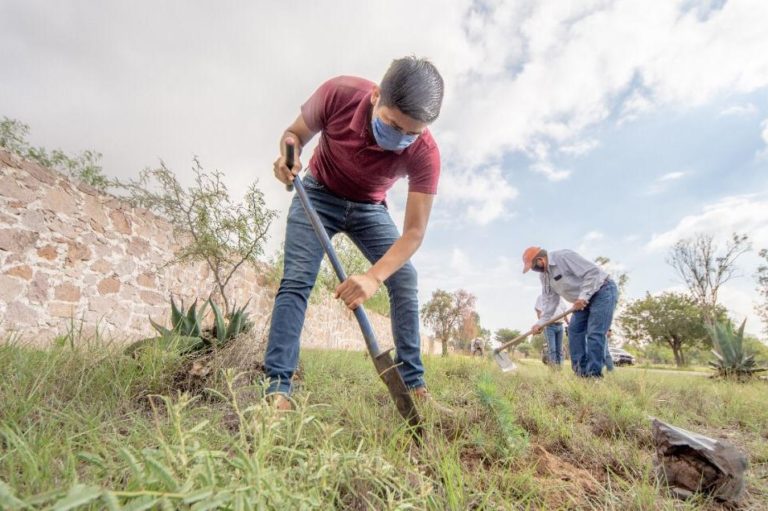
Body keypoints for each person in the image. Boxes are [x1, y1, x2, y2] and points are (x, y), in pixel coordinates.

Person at [266, 57, 445, 410]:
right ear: (376, 95)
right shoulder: (340, 93)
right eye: (393, 125)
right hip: (317, 193)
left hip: (369, 208)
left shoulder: (425, 152)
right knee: (297, 279)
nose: (401, 140)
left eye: (412, 133)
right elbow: (294, 134)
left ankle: (415, 389)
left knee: (404, 278)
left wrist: (374, 278)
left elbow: (413, 233)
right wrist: (288, 155)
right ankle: (278, 389)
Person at [523, 246, 618, 378]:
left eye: (533, 266)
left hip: (602, 290)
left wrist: (583, 296)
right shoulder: (544, 277)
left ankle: (594, 376)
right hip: (581, 301)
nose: (534, 270)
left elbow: (592, 273)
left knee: (595, 332)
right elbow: (550, 302)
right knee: (574, 330)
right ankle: (581, 373)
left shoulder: (563, 257)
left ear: (540, 260)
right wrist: (540, 323)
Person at [534, 294, 569, 367]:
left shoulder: (559, 297)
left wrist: (569, 323)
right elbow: (539, 312)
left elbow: (564, 312)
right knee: (552, 349)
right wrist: (541, 324)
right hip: (549, 326)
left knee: (560, 349)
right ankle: (553, 368)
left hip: (560, 325)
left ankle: (560, 367)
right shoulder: (541, 297)